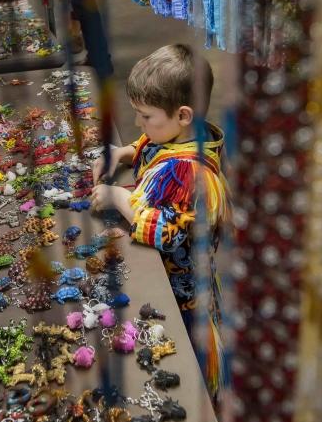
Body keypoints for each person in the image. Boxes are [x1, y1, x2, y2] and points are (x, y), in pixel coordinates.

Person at [91, 44, 231, 399]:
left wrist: (118, 197)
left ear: (183, 115)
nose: (138, 123)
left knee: (180, 364)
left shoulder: (187, 172)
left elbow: (162, 231)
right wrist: (122, 152)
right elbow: (154, 146)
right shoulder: (185, 136)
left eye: (145, 116)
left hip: (180, 294)